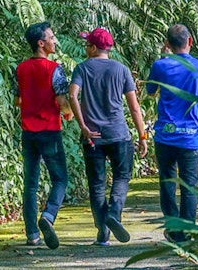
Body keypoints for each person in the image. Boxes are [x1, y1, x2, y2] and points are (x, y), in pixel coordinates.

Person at [68, 27, 148, 246]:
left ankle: (103, 232)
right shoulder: (121, 70)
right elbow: (134, 108)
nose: (85, 48)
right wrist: (142, 136)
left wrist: (82, 125)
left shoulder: (82, 69)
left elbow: (72, 95)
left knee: (96, 185)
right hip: (119, 135)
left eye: (87, 45)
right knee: (121, 177)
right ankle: (114, 213)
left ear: (94, 48)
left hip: (93, 137)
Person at [146, 24, 198, 243]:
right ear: (190, 41)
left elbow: (150, 93)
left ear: (167, 44)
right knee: (189, 186)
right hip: (191, 137)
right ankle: (187, 229)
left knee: (167, 182)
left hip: (165, 136)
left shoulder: (160, 66)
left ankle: (172, 227)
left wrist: (164, 58)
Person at [15, 21, 71, 249]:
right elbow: (62, 101)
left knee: (30, 183)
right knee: (60, 179)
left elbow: (17, 100)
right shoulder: (54, 69)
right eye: (51, 37)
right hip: (49, 131)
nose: (54, 40)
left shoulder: (20, 68)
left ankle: (32, 235)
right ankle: (48, 215)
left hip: (28, 133)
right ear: (41, 43)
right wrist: (69, 113)